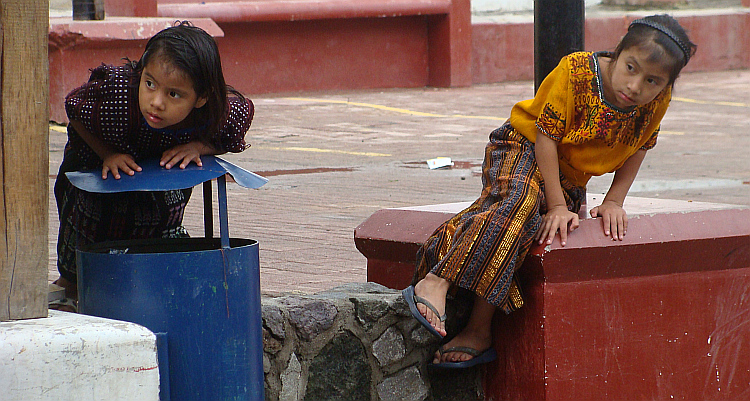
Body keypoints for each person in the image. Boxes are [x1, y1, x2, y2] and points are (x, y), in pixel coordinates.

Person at [403, 14, 696, 368]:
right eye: (630, 67)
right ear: (617, 54)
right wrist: (557, 204)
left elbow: (639, 147)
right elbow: (546, 136)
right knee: (520, 203)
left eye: (652, 80)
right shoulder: (575, 71)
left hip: (568, 178)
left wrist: (614, 200)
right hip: (522, 146)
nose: (635, 86)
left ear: (665, 84)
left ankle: (479, 330)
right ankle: (438, 279)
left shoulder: (656, 101)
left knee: (525, 229)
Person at [50, 21, 254, 312]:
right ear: (141, 72)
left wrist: (200, 147)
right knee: (87, 235)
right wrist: (107, 154)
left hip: (159, 178)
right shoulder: (116, 94)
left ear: (202, 98)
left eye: (174, 94)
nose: (156, 102)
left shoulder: (217, 110)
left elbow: (237, 125)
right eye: (150, 84)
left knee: (158, 231)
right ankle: (69, 290)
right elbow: (74, 109)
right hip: (98, 173)